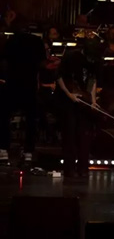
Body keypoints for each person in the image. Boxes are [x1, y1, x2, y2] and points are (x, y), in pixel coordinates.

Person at [0, 22, 46, 164]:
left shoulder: (11, 41)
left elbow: (4, 61)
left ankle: (3, 149)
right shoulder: (37, 41)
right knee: (31, 119)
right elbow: (42, 64)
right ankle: (28, 152)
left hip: (12, 83)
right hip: (29, 84)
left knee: (4, 117)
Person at [56, 37, 101, 178]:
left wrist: (92, 100)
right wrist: (69, 94)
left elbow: (92, 80)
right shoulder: (71, 57)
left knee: (84, 135)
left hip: (83, 99)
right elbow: (59, 77)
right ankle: (69, 168)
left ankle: (83, 167)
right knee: (69, 134)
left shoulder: (95, 60)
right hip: (68, 99)